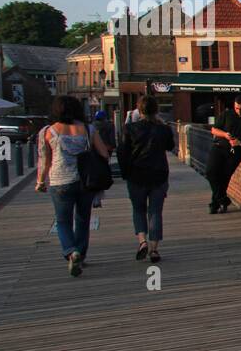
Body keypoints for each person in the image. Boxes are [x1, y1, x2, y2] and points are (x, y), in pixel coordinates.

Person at [36, 94, 110, 277]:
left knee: (63, 221)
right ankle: (81, 254)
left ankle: (71, 251)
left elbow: (44, 160)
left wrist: (40, 181)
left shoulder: (48, 131)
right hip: (85, 182)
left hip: (60, 181)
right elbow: (105, 154)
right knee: (83, 219)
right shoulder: (88, 129)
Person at [118, 94, 176, 262]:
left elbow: (122, 152)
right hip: (158, 174)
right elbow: (170, 146)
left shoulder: (129, 129)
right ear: (156, 110)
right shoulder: (163, 129)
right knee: (155, 212)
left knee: (138, 209)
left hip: (136, 175)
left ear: (139, 110)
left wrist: (125, 173)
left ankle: (142, 241)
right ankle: (154, 249)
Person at [205, 95, 241, 214]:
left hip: (236, 151)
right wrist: (225, 135)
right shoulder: (227, 114)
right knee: (210, 172)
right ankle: (222, 199)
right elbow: (214, 130)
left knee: (225, 177)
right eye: (236, 108)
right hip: (219, 147)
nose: (239, 111)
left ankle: (215, 204)